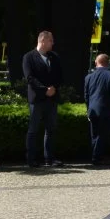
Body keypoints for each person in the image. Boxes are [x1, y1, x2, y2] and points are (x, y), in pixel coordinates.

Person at [22, 30, 63, 168]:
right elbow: (29, 78)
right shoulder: (29, 57)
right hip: (37, 98)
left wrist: (54, 88)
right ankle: (31, 159)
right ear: (43, 41)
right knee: (33, 130)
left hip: (52, 98)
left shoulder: (54, 57)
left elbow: (60, 75)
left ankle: (49, 158)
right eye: (51, 40)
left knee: (51, 129)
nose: (53, 43)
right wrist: (44, 90)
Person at [83, 54, 110, 166]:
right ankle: (97, 158)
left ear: (96, 62)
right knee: (102, 134)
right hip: (106, 110)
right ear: (107, 63)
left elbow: (86, 96)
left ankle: (96, 157)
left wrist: (88, 109)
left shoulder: (88, 77)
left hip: (92, 110)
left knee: (94, 135)